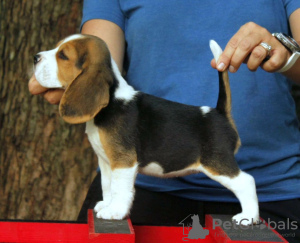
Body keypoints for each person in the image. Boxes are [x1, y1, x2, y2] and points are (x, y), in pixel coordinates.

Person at [29, 1, 300, 241]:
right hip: (148, 193)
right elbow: (98, 63)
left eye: (60, 54)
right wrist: (73, 87)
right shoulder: (106, 101)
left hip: (274, 188)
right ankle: (114, 201)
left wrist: (285, 53)